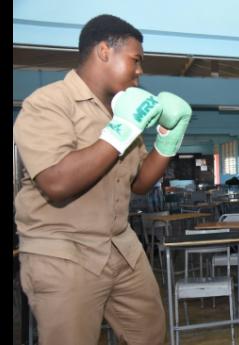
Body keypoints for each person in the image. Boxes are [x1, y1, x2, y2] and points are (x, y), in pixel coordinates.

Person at [13, 14, 192, 345]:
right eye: (136, 60)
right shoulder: (49, 103)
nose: (140, 72)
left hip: (120, 244)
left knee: (150, 333)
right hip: (62, 250)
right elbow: (56, 183)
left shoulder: (120, 111)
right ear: (104, 51)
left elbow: (139, 184)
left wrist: (169, 138)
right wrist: (122, 130)